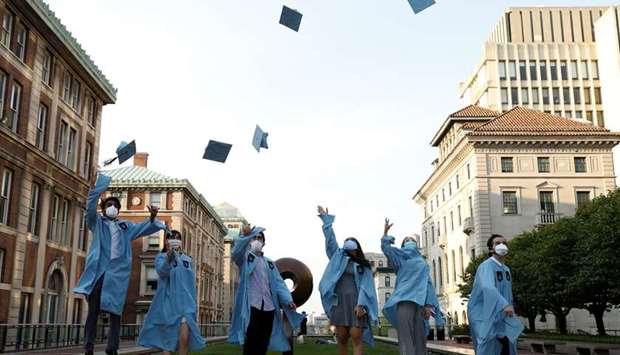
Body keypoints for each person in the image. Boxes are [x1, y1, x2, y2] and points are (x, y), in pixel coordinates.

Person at [74, 172, 165, 355]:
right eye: (109, 204)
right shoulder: (96, 223)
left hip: (117, 274)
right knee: (93, 312)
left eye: (115, 205)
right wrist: (98, 188)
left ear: (119, 209)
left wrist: (153, 218)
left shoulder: (125, 227)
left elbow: (144, 227)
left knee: (116, 312)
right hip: (99, 272)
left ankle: (112, 348)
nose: (113, 207)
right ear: (104, 207)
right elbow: (90, 208)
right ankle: (88, 347)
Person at [228, 224, 303, 355]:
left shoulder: (269, 263)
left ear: (264, 242)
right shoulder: (245, 258)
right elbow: (236, 253)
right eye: (254, 237)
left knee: (263, 343)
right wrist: (245, 236)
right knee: (251, 341)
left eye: (260, 238)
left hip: (268, 307)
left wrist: (288, 300)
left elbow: (279, 284)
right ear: (250, 240)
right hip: (252, 306)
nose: (257, 240)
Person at [317, 206, 378, 355]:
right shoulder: (337, 257)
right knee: (342, 340)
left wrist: (362, 305)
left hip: (356, 304)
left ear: (357, 248)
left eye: (352, 244)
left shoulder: (363, 265)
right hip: (339, 303)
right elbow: (330, 241)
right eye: (347, 243)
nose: (349, 246)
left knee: (357, 338)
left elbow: (366, 286)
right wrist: (326, 220)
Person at [380, 219, 444, 355]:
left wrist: (428, 305)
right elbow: (387, 249)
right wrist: (385, 233)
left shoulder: (423, 262)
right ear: (403, 245)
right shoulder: (399, 260)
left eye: (412, 241)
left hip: (420, 303)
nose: (410, 242)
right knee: (406, 338)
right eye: (407, 240)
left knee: (420, 338)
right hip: (404, 302)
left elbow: (428, 285)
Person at [138, 230, 206, 354]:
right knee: (167, 342)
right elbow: (162, 272)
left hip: (185, 306)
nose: (175, 240)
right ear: (166, 241)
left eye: (178, 238)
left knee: (184, 339)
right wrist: (168, 259)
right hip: (168, 305)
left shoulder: (187, 259)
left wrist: (193, 303)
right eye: (172, 237)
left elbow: (190, 283)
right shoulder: (161, 257)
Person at [467, 234, 524, 355]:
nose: (502, 245)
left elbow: (508, 292)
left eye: (504, 243)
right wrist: (504, 305)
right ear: (491, 248)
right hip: (484, 314)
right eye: (497, 243)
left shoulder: (506, 269)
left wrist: (510, 307)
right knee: (488, 346)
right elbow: (488, 287)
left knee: (508, 345)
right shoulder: (486, 266)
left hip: (503, 315)